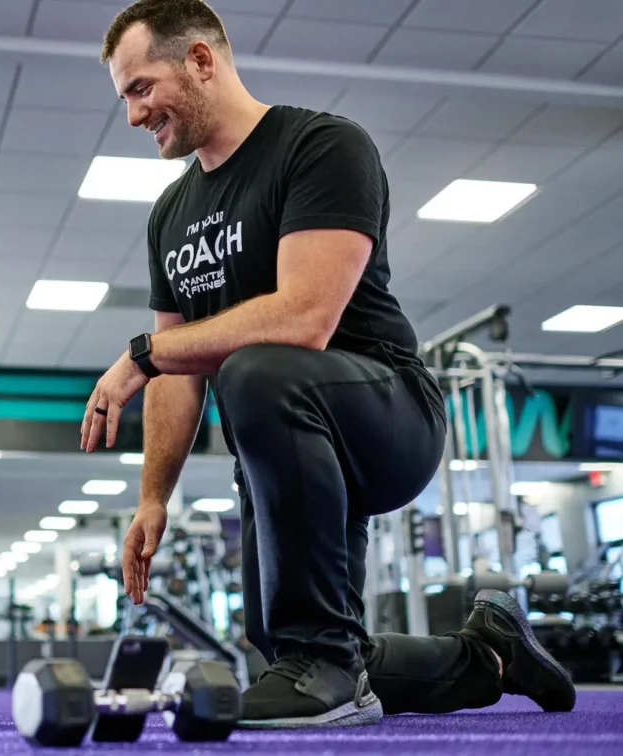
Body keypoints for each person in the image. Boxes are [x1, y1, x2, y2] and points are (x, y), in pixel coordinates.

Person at [80, 0, 576, 730]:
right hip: (283, 434)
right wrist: (154, 497)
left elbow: (303, 318)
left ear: (201, 60)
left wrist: (139, 357)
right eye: (124, 96)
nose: (132, 114)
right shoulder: (171, 215)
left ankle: (331, 670)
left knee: (254, 372)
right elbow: (178, 373)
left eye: (141, 88)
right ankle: (488, 655)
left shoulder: (320, 146)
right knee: (284, 644)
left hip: (386, 414)